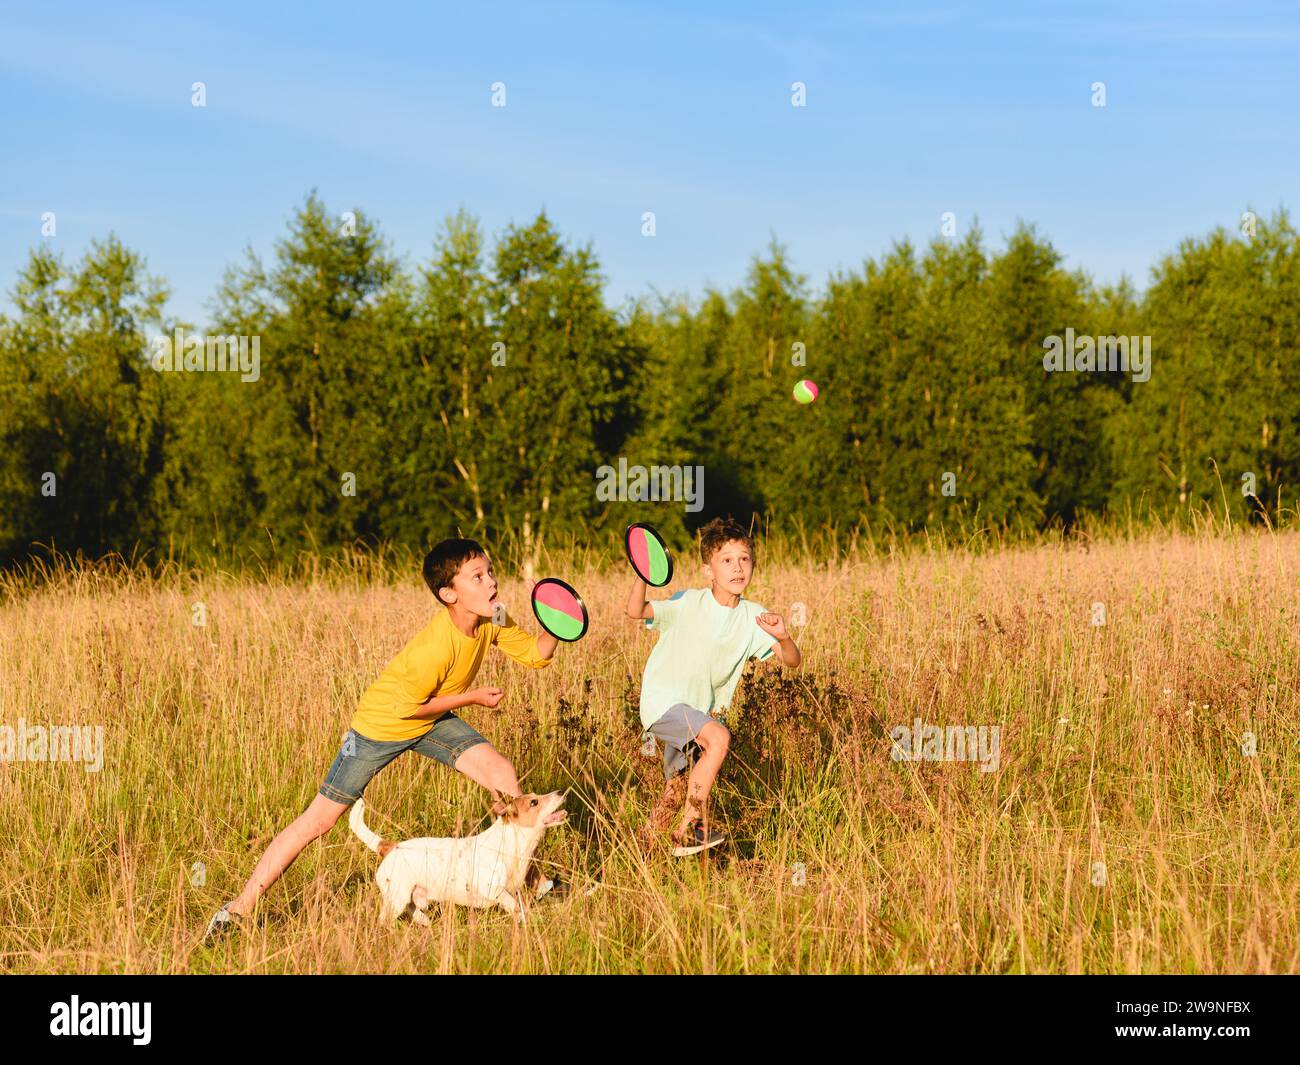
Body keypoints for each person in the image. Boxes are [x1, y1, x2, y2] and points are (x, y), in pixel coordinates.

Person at [205, 538, 560, 938]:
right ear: (449, 594)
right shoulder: (435, 646)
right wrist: (473, 698)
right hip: (380, 727)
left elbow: (536, 654)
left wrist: (557, 625)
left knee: (502, 774)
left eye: (491, 571)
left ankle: (532, 885)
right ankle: (236, 911)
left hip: (431, 716)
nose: (491, 582)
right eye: (477, 577)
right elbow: (408, 707)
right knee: (319, 821)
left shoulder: (493, 617)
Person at [627, 518, 801, 856]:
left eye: (744, 559)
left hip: (697, 712)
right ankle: (690, 830)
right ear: (709, 570)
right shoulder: (687, 602)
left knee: (676, 790)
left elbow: (791, 660)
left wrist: (783, 636)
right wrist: (641, 575)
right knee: (719, 738)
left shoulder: (754, 617)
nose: (737, 567)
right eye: (726, 560)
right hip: (663, 702)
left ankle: (639, 855)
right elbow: (635, 610)